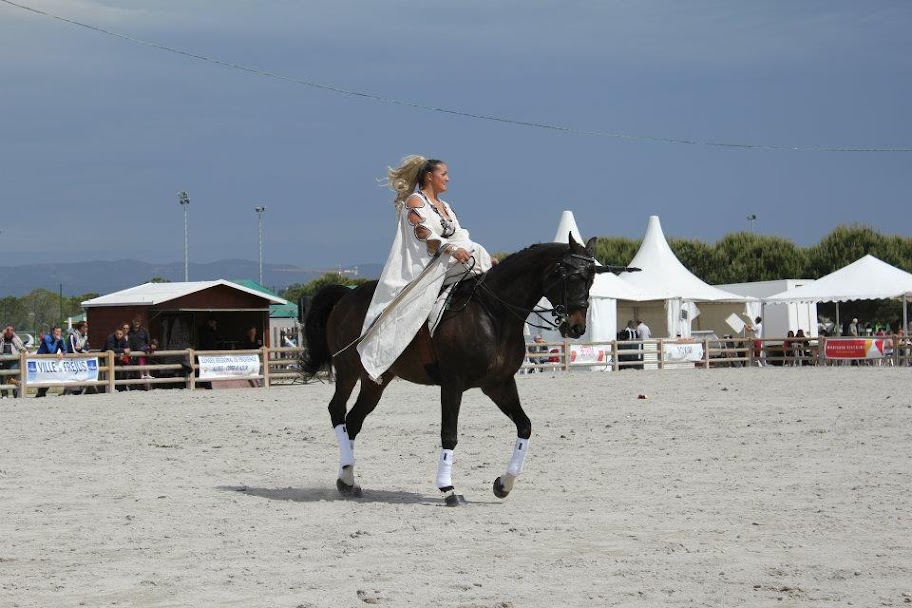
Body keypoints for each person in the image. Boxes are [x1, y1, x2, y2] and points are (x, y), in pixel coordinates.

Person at [357, 155, 495, 383]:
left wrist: (482, 256)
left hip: (447, 261)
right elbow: (423, 234)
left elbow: (459, 233)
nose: (448, 179)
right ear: (430, 176)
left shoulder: (445, 207)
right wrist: (452, 249)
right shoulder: (415, 202)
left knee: (483, 265)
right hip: (426, 264)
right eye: (444, 174)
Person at [35, 325, 67, 397]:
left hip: (49, 361)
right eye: (56, 332)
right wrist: (57, 340)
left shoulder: (60, 339)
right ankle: (40, 392)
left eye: (59, 332)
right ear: (53, 332)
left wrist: (62, 353)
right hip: (40, 359)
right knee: (43, 377)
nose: (58, 333)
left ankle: (41, 393)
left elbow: (65, 349)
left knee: (49, 376)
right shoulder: (47, 338)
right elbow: (51, 350)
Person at [104, 325, 132, 391]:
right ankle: (109, 388)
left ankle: (122, 387)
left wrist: (123, 353)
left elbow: (127, 348)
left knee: (122, 372)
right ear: (115, 333)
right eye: (117, 334)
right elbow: (110, 348)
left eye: (120, 334)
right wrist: (123, 351)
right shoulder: (110, 338)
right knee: (110, 373)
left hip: (118, 358)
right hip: (106, 358)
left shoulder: (123, 339)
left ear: (122, 334)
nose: (119, 335)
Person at [1, 325, 26, 398]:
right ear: (5, 330)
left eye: (11, 330)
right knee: (3, 377)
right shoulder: (2, 337)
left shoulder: (15, 338)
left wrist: (15, 336)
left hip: (13, 359)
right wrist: (2, 335)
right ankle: (4, 394)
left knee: (14, 377)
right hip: (3, 359)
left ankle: (16, 394)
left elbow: (21, 345)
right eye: (8, 330)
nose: (9, 332)